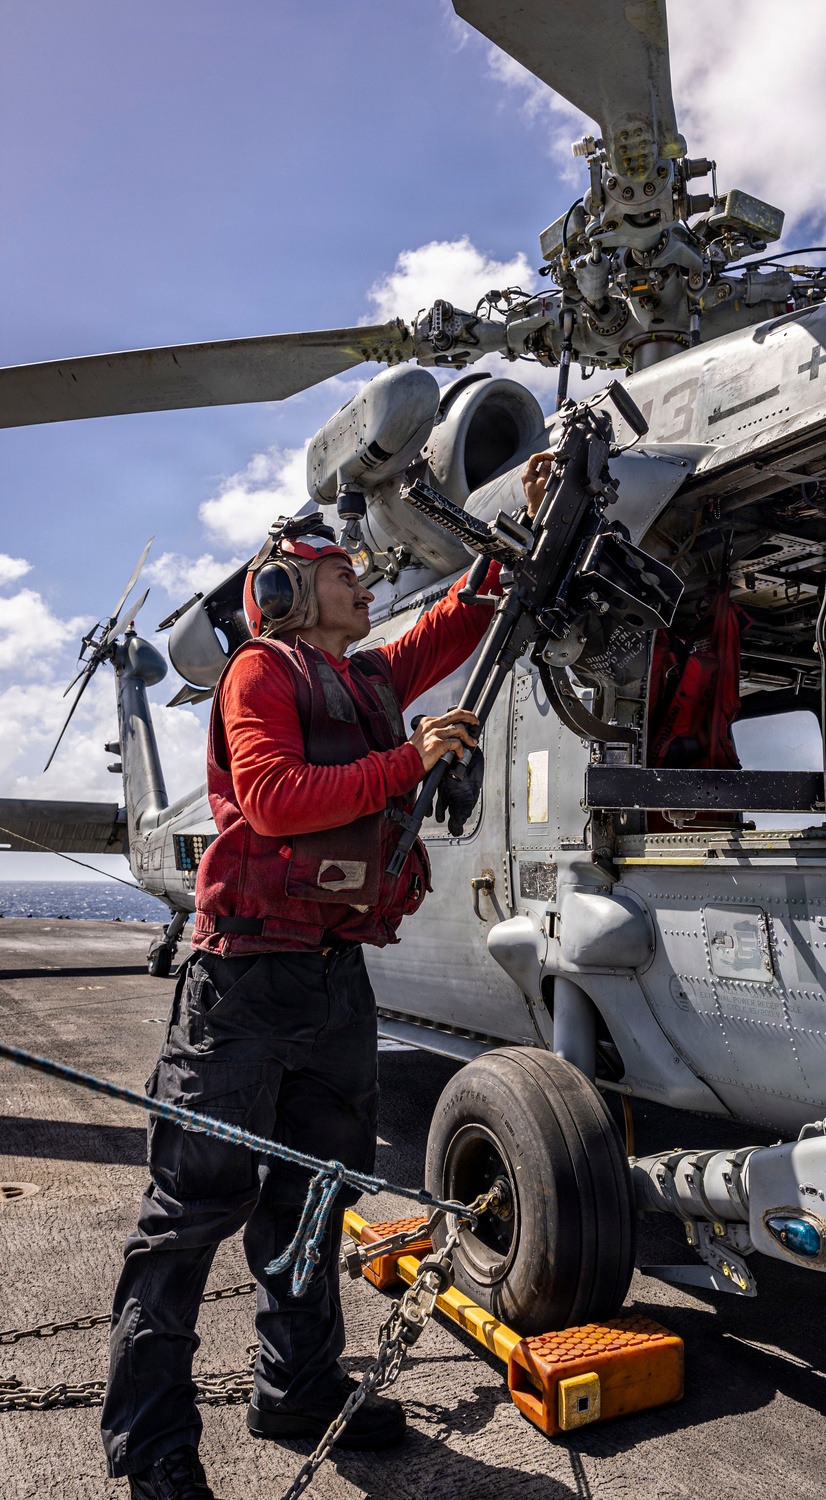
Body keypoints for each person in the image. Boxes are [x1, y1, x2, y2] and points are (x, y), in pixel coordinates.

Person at [102, 452, 554, 1500]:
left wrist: (516, 541)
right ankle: (154, 1444)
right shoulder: (262, 672)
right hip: (244, 987)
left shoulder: (363, 675)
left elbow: (453, 623)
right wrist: (409, 763)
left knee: (313, 1199)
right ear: (289, 591)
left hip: (331, 978)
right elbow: (269, 798)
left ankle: (296, 1388)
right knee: (190, 1213)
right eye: (346, 571)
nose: (366, 580)